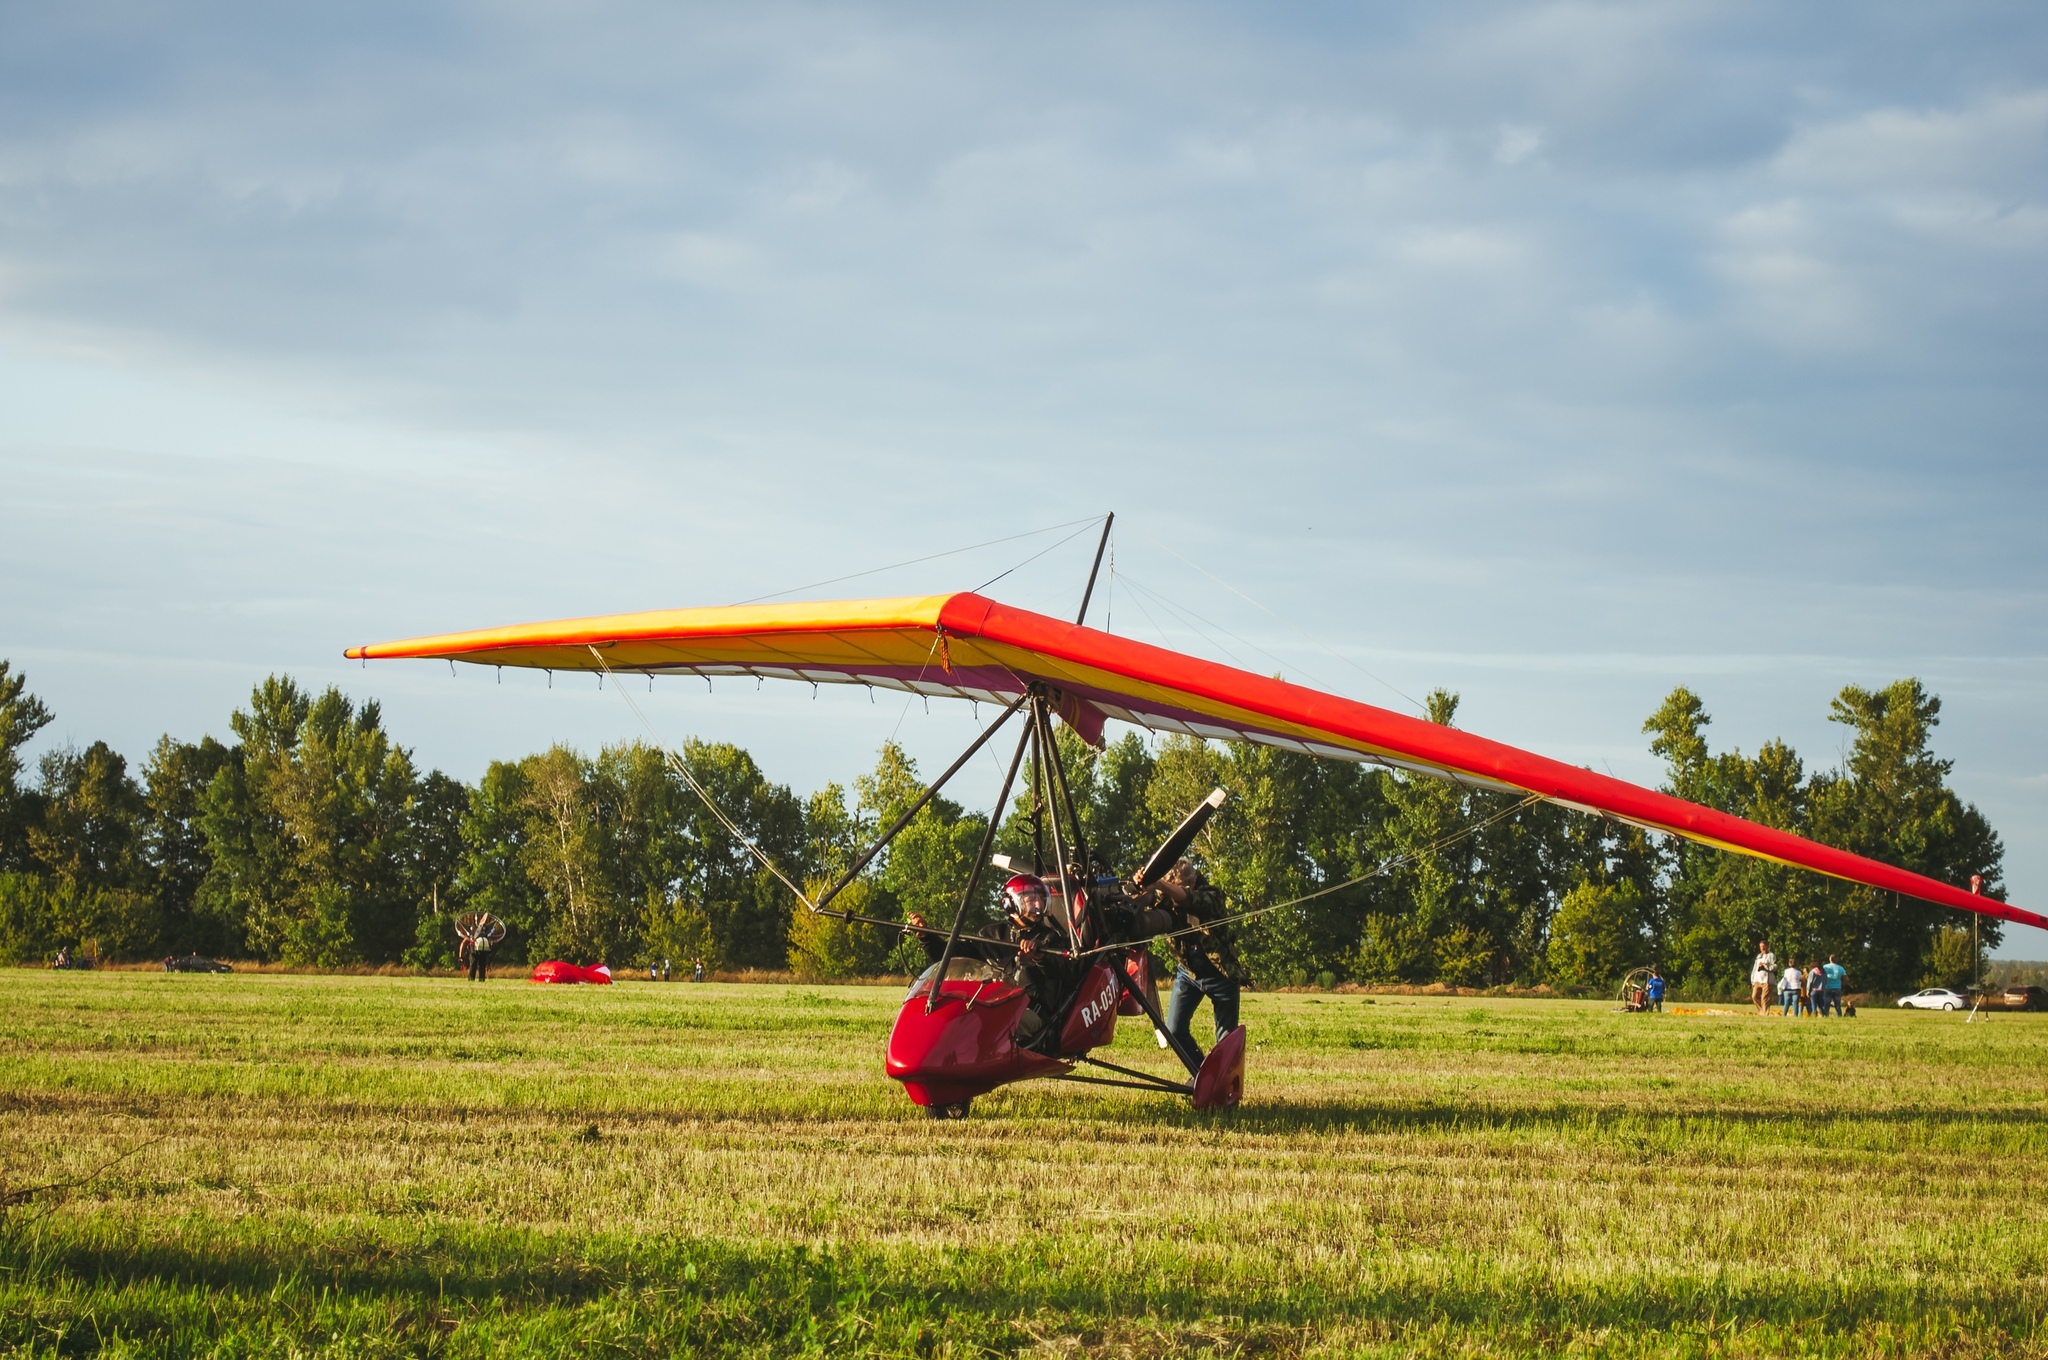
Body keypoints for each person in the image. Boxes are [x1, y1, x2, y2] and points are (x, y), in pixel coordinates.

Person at [907, 873, 1072, 1043]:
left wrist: (1041, 957)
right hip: (992, 1006)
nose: (1038, 904)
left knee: (979, 1022)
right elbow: (951, 955)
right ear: (1010, 903)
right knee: (953, 1018)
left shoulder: (1050, 938)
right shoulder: (991, 935)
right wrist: (926, 937)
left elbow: (1067, 971)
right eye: (1031, 900)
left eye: (1041, 899)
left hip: (1030, 1013)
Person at [1152, 859, 1249, 1062]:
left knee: (1226, 1043)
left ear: (1194, 880)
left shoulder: (1212, 896)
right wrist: (1143, 884)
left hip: (1222, 975)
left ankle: (1222, 1086)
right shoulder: (1166, 898)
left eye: (1182, 886)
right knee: (1174, 1030)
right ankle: (1200, 1073)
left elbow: (1188, 899)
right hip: (1188, 975)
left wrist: (1160, 884)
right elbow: (1147, 903)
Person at [468, 912, 495, 982]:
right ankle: (476, 979)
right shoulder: (474, 928)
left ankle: (477, 979)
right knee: (477, 965)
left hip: (479, 949)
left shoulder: (483, 928)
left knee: (478, 965)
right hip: (478, 949)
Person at [1752, 941, 1777, 1015]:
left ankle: (1765, 1014)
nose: (1763, 948)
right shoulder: (1758, 956)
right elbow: (1754, 969)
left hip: (1767, 980)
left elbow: (1775, 967)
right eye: (1761, 946)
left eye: (1764, 946)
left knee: (1764, 999)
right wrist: (1752, 980)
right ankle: (1761, 1011)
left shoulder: (1771, 955)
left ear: (1767, 946)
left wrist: (1765, 966)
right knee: (1754, 996)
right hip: (1757, 980)